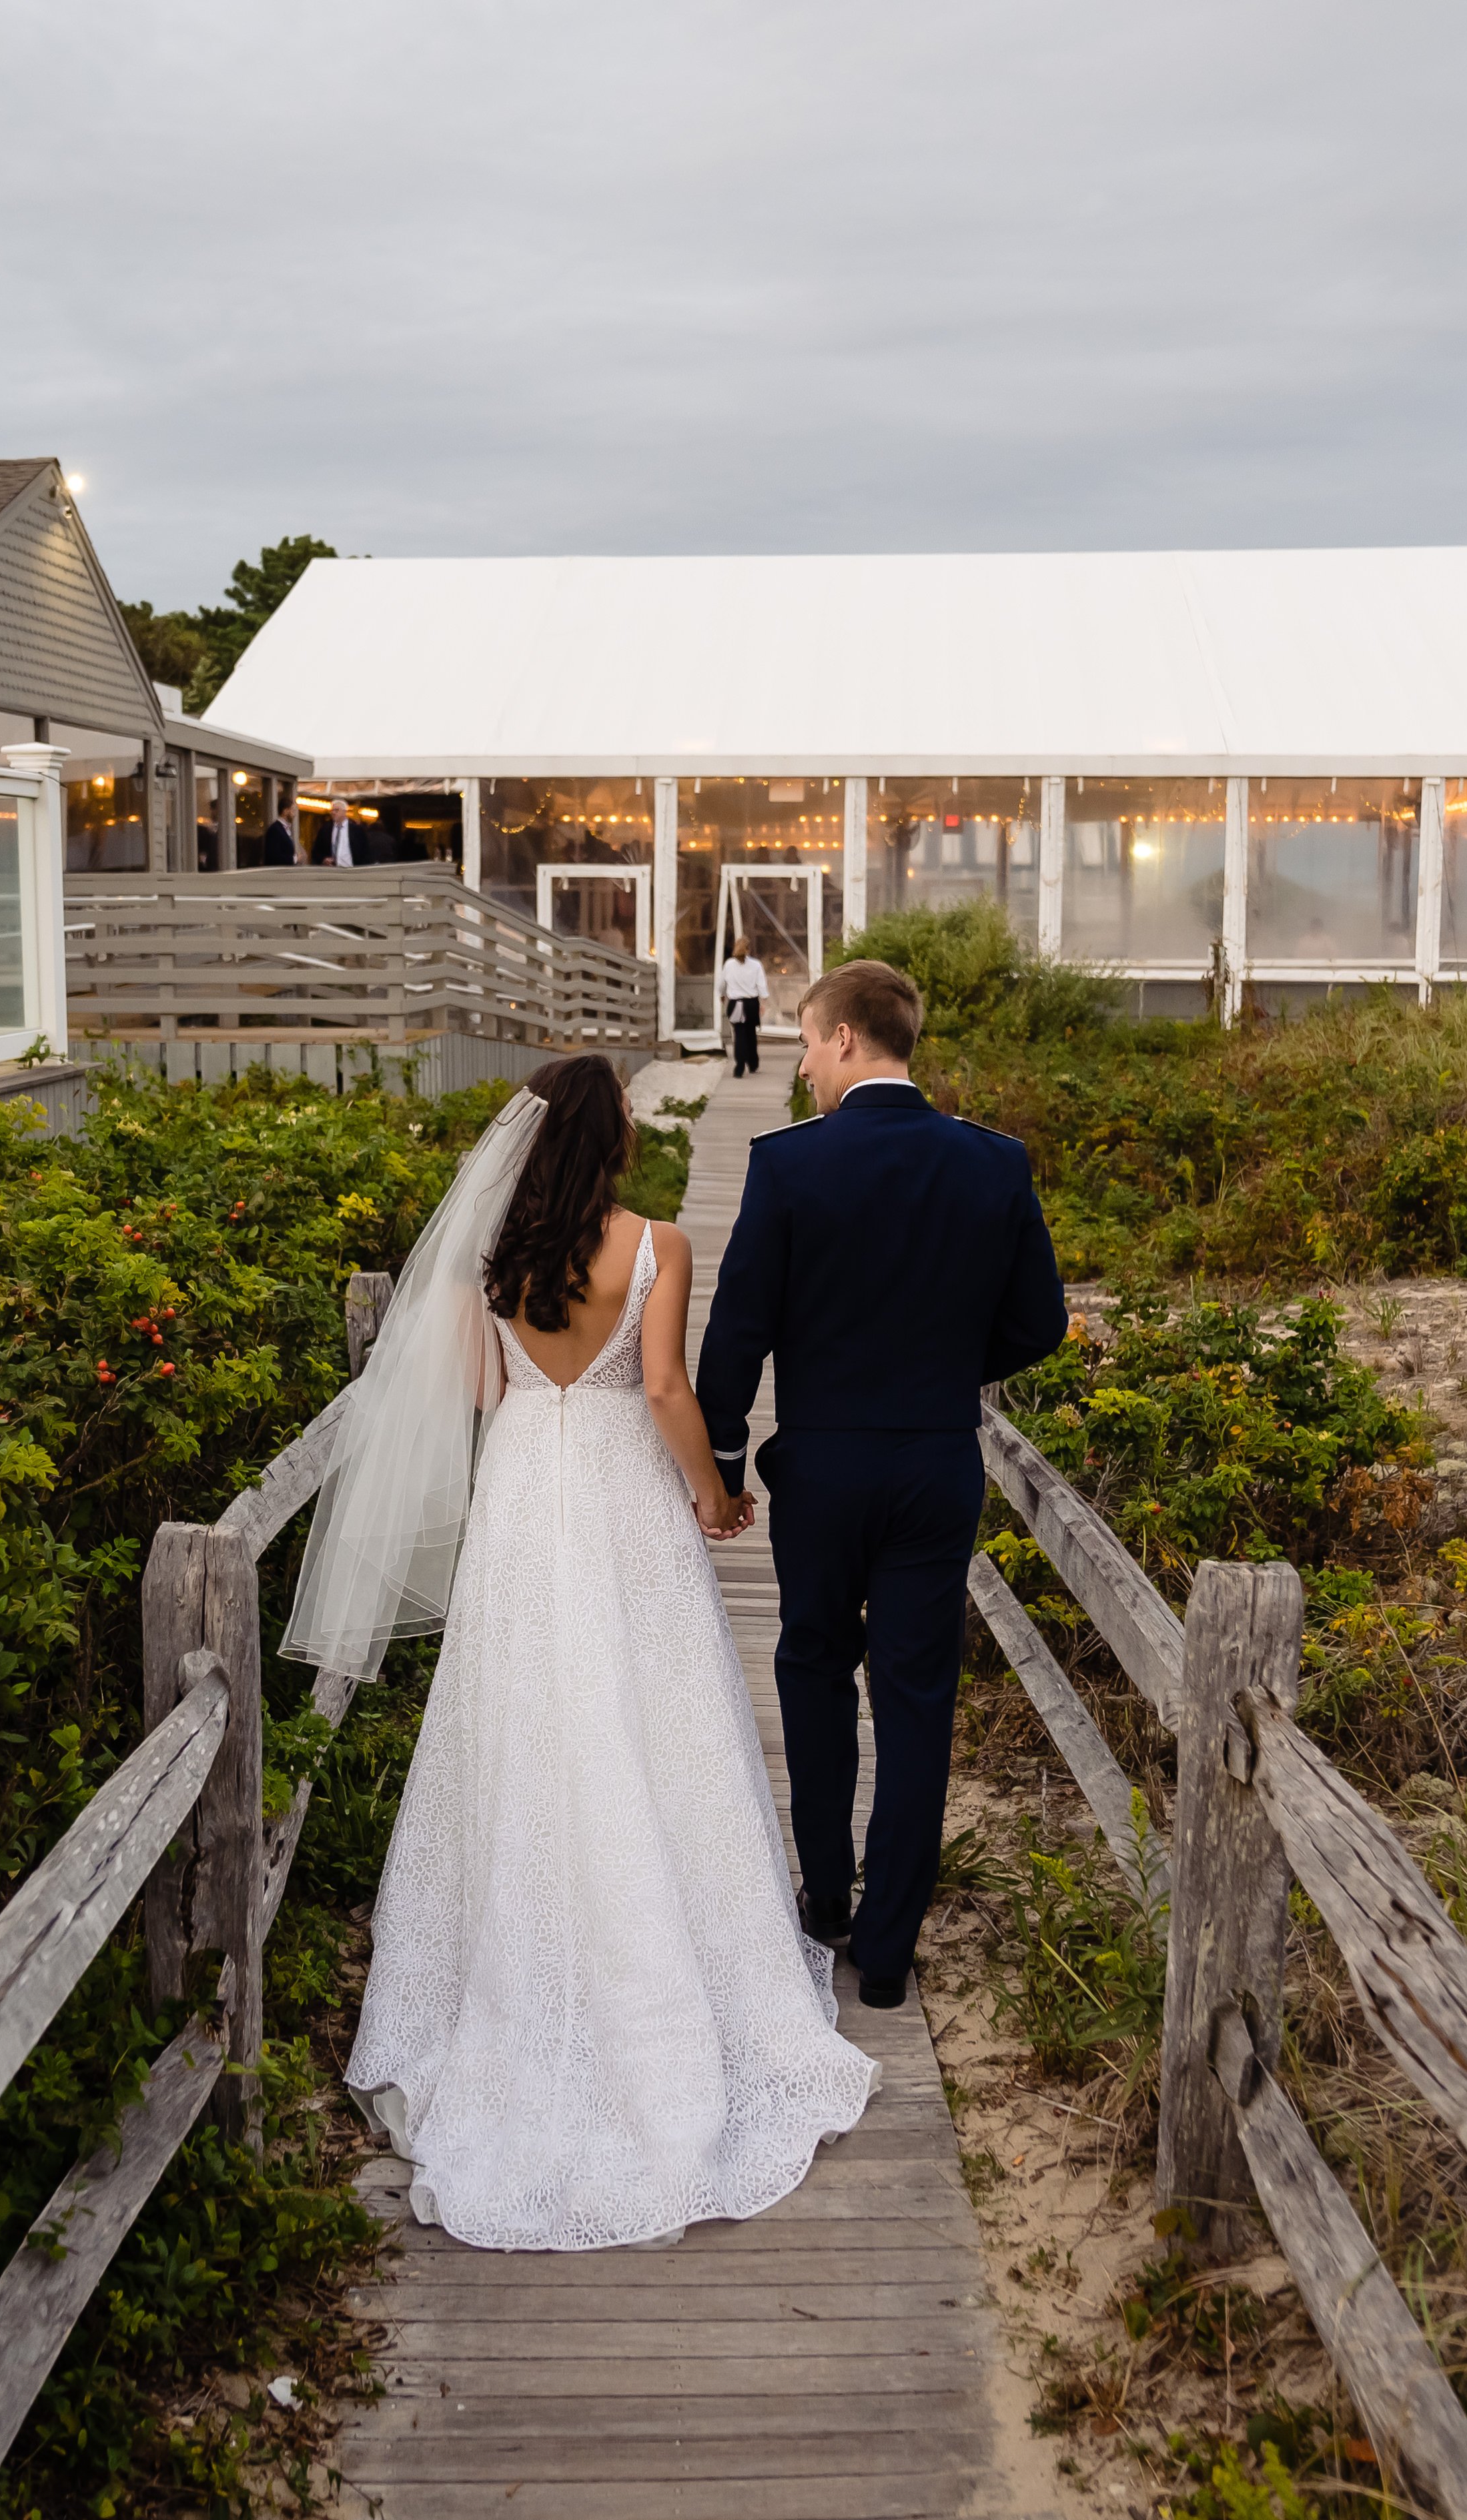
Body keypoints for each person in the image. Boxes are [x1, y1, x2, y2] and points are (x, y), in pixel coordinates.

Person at [287, 1056, 875, 2250]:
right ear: (614, 1140)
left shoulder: (485, 1259)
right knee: (654, 1714)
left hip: (522, 1490)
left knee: (522, 1712)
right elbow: (663, 1387)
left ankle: (506, 1988)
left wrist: (527, 1383)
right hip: (618, 1494)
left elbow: (474, 1388)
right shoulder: (658, 1244)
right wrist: (713, 1497)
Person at [696, 961, 1068, 2009]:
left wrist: (723, 1458)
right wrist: (947, 1370)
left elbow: (736, 1334)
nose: (804, 1064)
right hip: (933, 1465)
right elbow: (1038, 1322)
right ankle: (890, 1949)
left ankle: (823, 1901)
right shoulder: (992, 1163)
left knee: (812, 1668)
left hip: (816, 1468)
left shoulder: (787, 1166)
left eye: (808, 1043)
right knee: (914, 1699)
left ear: (848, 1039)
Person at [718, 947, 770, 1076]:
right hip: (751, 1003)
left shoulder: (729, 964)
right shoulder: (756, 965)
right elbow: (762, 985)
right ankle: (753, 1064)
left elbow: (722, 984)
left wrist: (722, 995)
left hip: (736, 1003)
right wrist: (763, 1002)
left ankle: (739, 1066)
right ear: (748, 950)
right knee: (751, 1033)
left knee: (739, 1034)